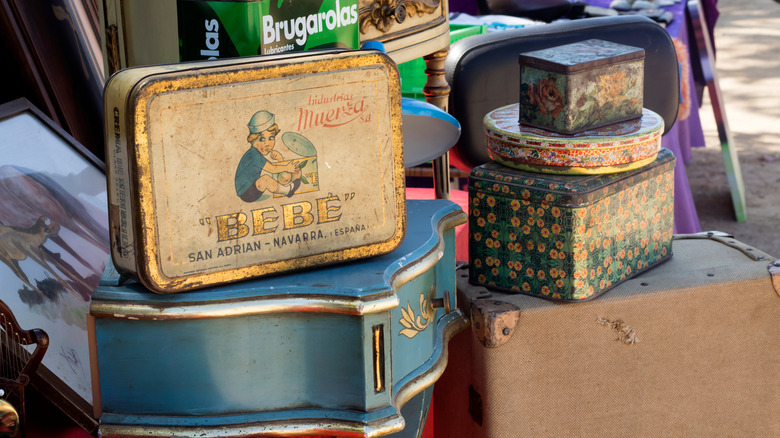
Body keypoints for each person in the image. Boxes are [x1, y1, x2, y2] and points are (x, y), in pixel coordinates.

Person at [234, 111, 302, 202]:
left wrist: (279, 159)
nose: (267, 144)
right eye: (262, 139)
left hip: (251, 188)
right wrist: (287, 168)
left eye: (271, 138)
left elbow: (274, 170)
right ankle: (288, 190)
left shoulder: (255, 153)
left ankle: (286, 187)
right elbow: (273, 169)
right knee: (265, 179)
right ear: (252, 140)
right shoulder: (254, 155)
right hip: (247, 193)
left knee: (267, 179)